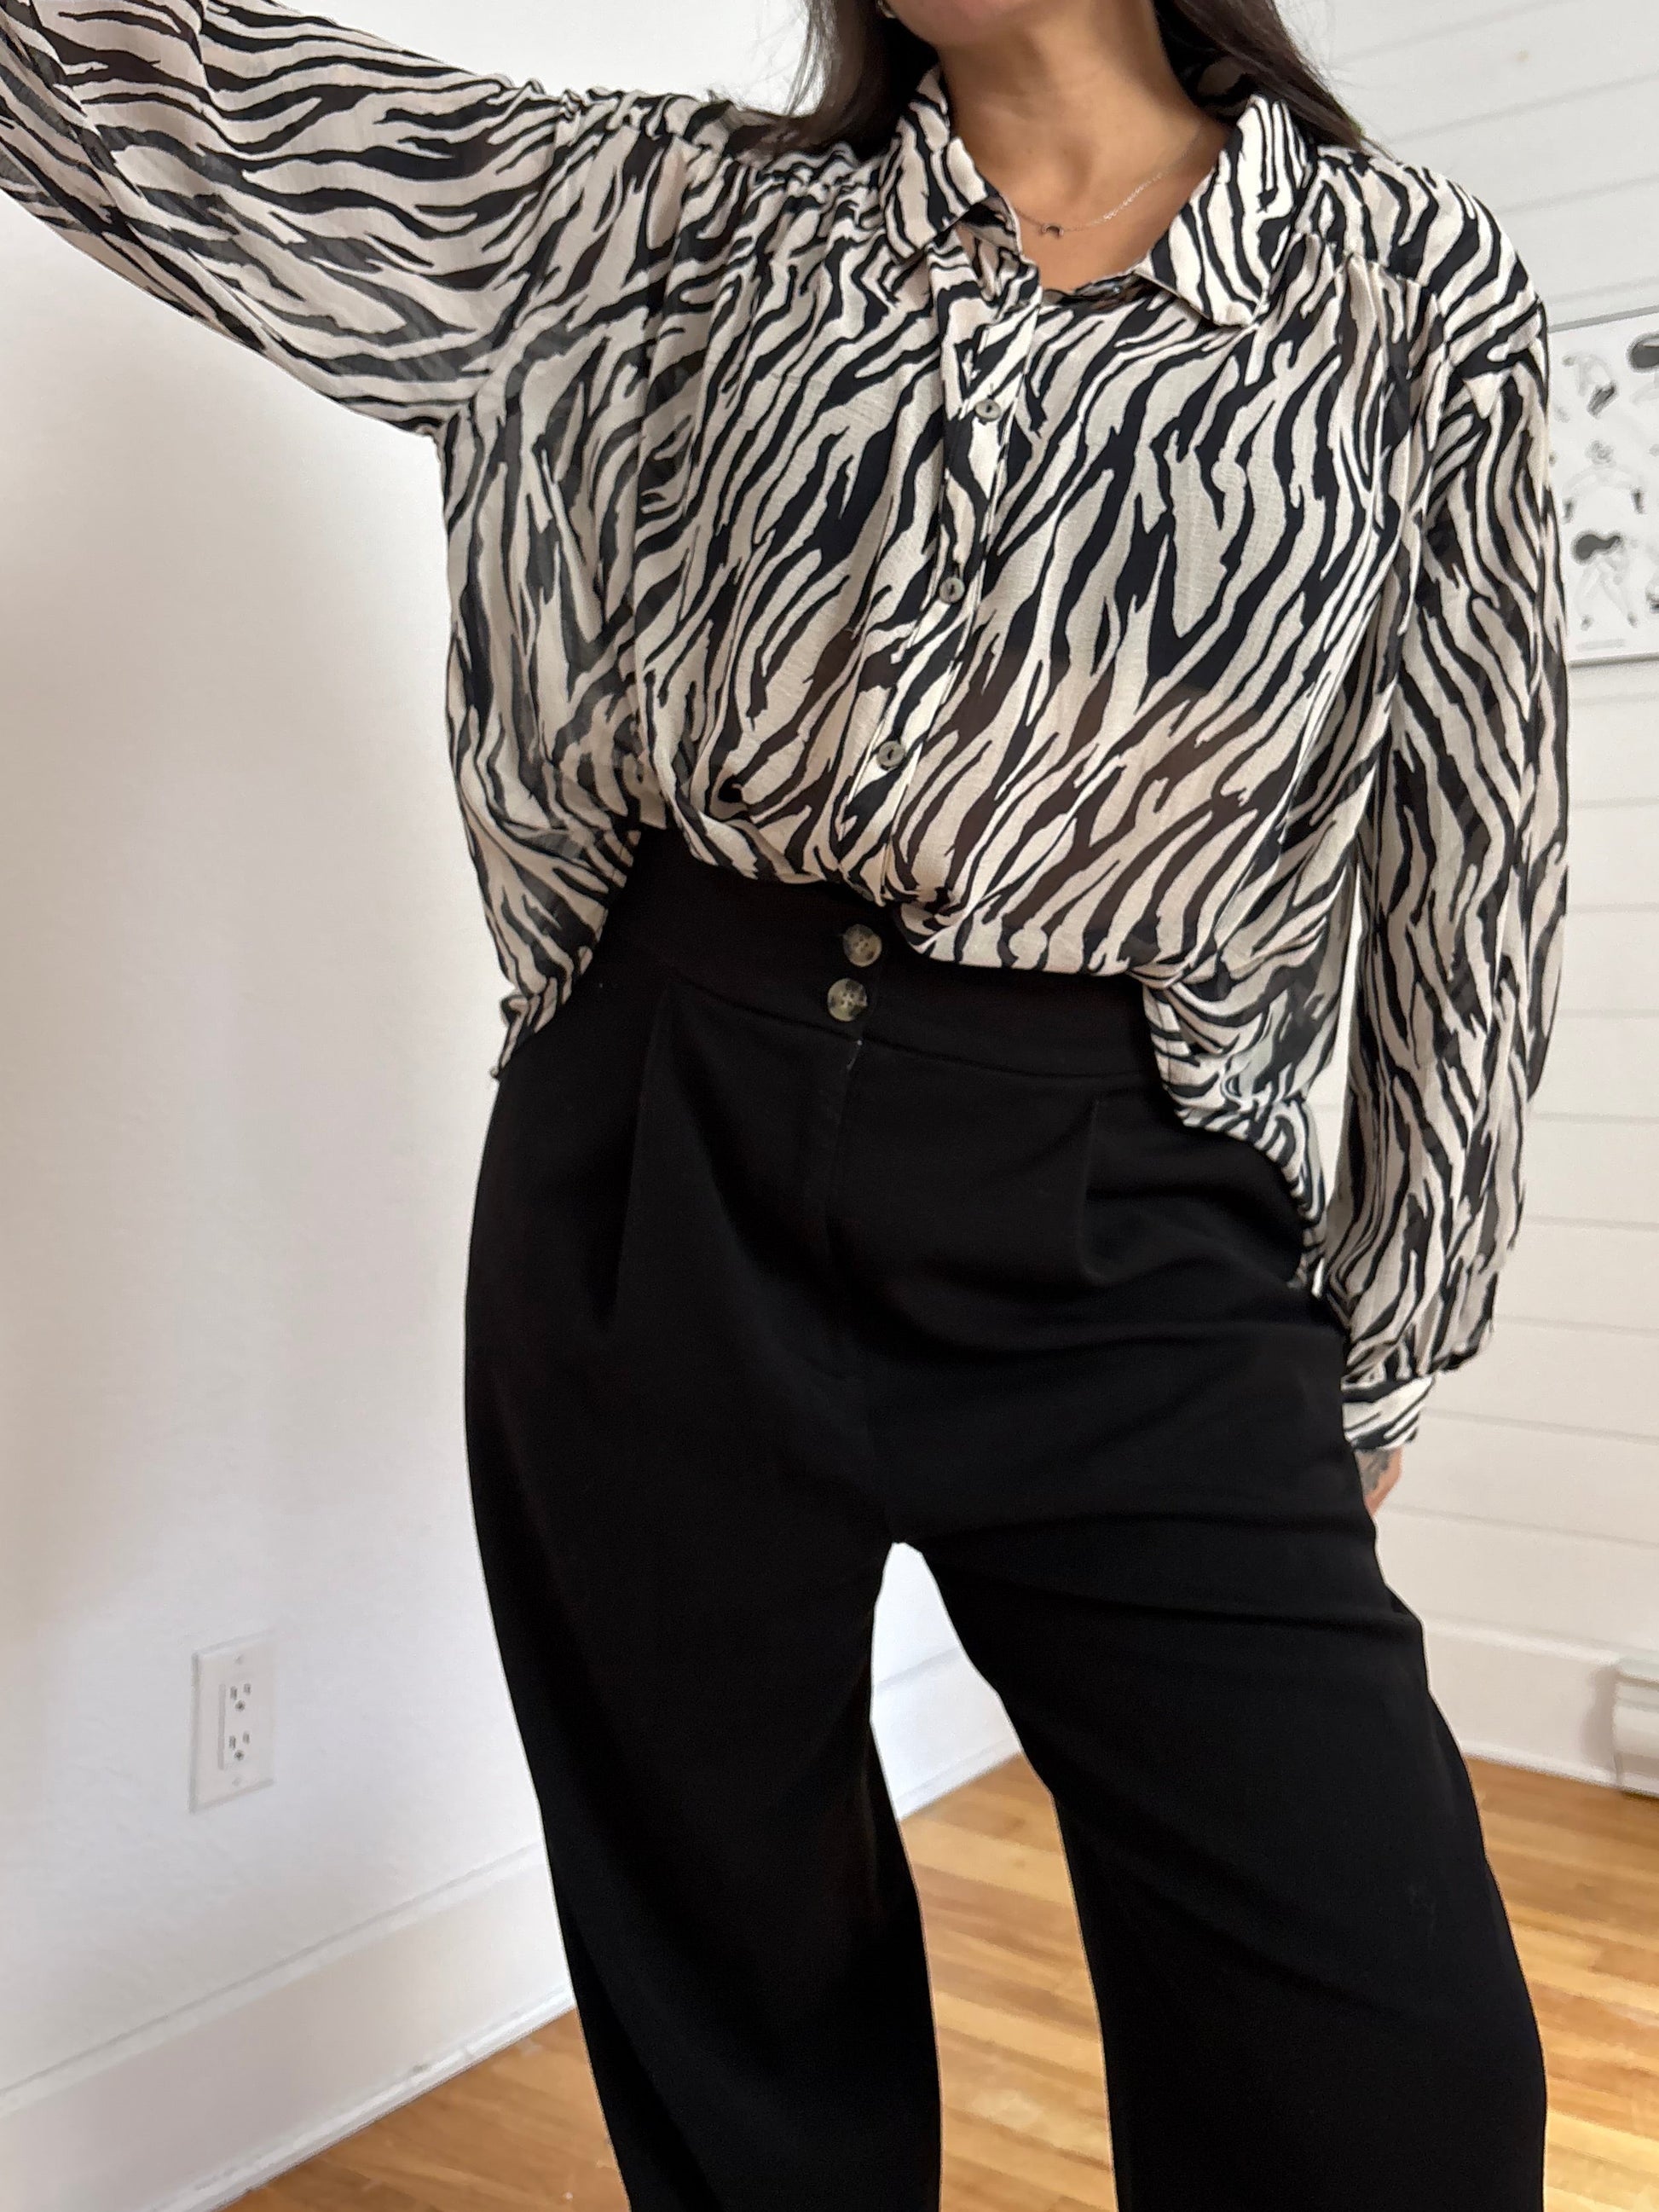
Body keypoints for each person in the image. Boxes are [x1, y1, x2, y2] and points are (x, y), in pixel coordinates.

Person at [0, 0, 1568, 2205]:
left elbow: (1474, 854)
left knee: (1387, 2071)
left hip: (1121, 1211)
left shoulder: (1409, 291)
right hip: (661, 1165)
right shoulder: (682, 219)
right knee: (735, 2041)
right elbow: (180, 104)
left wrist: (1390, 1345)